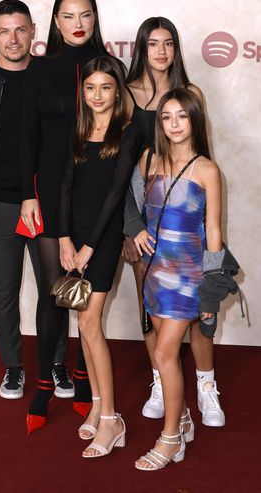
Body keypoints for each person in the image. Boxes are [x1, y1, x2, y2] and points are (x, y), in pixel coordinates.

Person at [0, 0, 70, 400]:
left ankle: (55, 364)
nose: (13, 38)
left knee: (53, 289)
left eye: (20, 29)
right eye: (4, 31)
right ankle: (13, 367)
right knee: (3, 291)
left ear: (34, 31)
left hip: (43, 202)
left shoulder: (51, 76)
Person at [122, 17, 225, 428]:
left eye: (168, 43)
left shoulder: (191, 93)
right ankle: (161, 382)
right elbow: (122, 166)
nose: (161, 51)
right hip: (147, 215)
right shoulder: (128, 95)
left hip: (189, 218)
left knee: (201, 314)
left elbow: (202, 153)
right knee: (152, 313)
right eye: (153, 44)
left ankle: (205, 384)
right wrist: (132, 226)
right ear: (142, 49)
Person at [20, 0, 114, 433]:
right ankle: (42, 386)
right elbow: (28, 139)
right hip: (48, 192)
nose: (78, 24)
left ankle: (81, 379)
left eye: (86, 15)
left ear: (96, 20)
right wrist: (28, 193)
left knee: (87, 296)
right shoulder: (40, 70)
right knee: (53, 292)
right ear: (55, 22)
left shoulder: (109, 68)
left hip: (92, 193)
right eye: (68, 15)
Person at [134, 88, 223, 470]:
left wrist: (212, 292)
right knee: (162, 353)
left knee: (164, 353)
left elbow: (215, 232)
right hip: (153, 269)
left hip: (189, 275)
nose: (174, 124)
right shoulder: (148, 159)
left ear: (194, 120)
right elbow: (134, 208)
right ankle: (182, 419)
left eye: (182, 116)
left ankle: (170, 438)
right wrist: (134, 232)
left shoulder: (207, 169)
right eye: (167, 116)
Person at [59, 57, 142, 457]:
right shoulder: (77, 128)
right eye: (90, 88)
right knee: (83, 322)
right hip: (74, 238)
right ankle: (95, 405)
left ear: (118, 91)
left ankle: (112, 419)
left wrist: (90, 245)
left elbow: (115, 193)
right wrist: (64, 239)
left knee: (90, 323)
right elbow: (64, 186)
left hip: (104, 238)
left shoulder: (128, 132)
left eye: (105, 88)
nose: (97, 96)